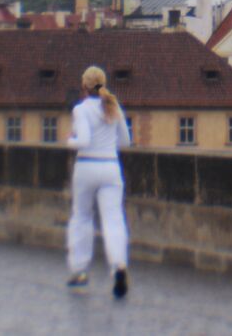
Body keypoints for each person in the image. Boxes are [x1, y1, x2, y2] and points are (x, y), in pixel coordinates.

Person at [65, 65, 131, 298]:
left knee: (82, 216)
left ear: (84, 86)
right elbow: (125, 142)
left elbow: (82, 140)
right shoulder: (114, 107)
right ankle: (119, 266)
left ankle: (80, 269)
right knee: (113, 220)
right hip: (111, 167)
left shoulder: (81, 110)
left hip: (86, 166)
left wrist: (69, 141)